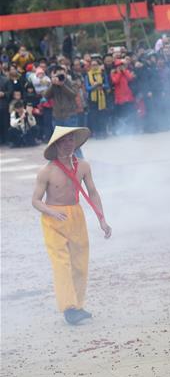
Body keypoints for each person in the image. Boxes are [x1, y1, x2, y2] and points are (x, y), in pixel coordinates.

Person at [31, 126, 111, 325]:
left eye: (72, 140)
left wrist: (102, 218)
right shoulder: (46, 171)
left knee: (80, 264)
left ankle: (78, 305)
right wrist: (50, 211)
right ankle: (69, 308)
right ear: (57, 144)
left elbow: (92, 192)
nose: (70, 143)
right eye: (66, 140)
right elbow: (35, 200)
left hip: (76, 215)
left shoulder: (83, 166)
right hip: (53, 220)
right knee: (61, 263)